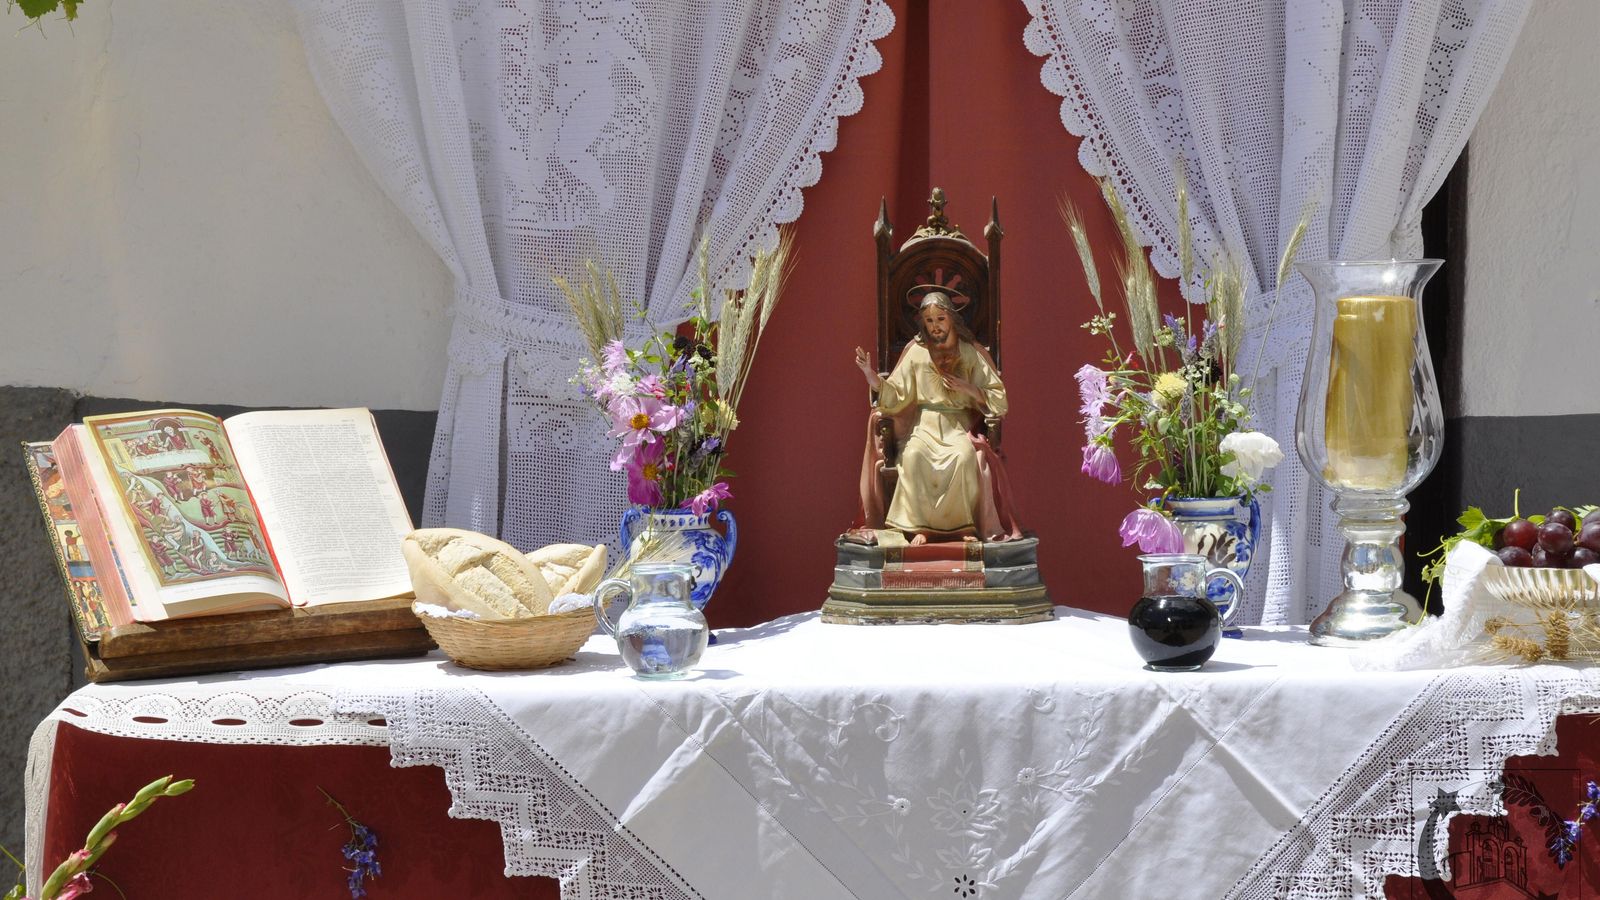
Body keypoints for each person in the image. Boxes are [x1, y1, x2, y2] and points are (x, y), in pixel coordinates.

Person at [852, 289, 1021, 544]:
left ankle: (963, 528)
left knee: (963, 458)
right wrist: (872, 377)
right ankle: (920, 526)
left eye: (940, 319)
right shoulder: (916, 352)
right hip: (924, 426)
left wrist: (969, 389)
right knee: (913, 457)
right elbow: (897, 394)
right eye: (929, 321)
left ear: (951, 318)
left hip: (957, 424)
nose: (935, 326)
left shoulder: (969, 352)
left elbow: (999, 397)